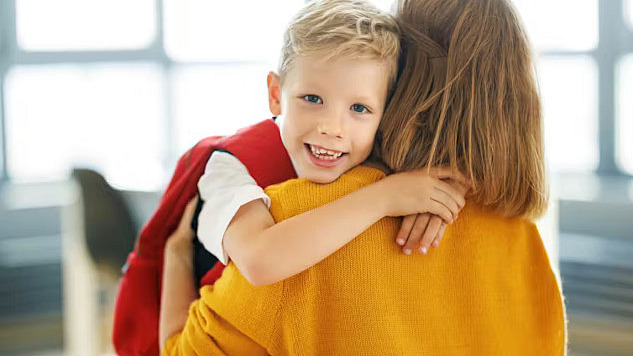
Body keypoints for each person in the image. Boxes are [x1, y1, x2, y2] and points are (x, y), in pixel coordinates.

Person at [161, 0, 566, 354]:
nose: (332, 127)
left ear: (396, 92)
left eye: (359, 109)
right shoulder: (521, 236)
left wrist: (176, 253)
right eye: (313, 99)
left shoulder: (300, 217)